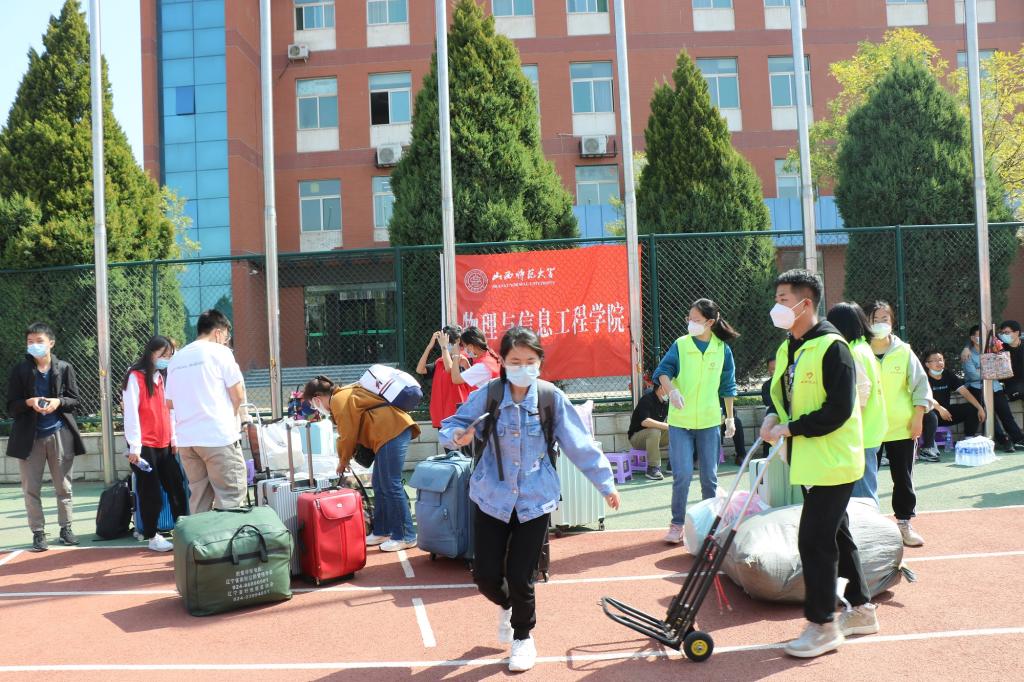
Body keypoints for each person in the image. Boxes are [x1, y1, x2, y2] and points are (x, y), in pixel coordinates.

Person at [440, 326, 619, 673]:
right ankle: (508, 605)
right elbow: (453, 423)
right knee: (486, 576)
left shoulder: (551, 398)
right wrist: (457, 435)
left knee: (522, 574)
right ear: (503, 363)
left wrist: (606, 484)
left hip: (535, 499)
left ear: (540, 362)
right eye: (515, 361)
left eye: (530, 361)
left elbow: (580, 444)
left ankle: (523, 636)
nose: (523, 367)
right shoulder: (489, 395)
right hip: (491, 496)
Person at [759, 270, 877, 659]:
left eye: (782, 299)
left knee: (813, 539)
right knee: (837, 533)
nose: (776, 306)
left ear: (804, 303)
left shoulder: (832, 348)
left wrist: (792, 428)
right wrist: (773, 416)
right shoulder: (789, 347)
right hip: (809, 461)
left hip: (834, 461)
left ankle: (823, 625)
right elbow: (782, 394)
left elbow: (839, 410)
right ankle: (862, 609)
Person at [652, 298, 739, 544]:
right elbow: (662, 372)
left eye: (696, 320)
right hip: (681, 422)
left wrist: (730, 418)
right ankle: (677, 524)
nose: (690, 323)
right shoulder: (681, 344)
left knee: (709, 478)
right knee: (682, 475)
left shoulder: (722, 349)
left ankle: (709, 527)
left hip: (710, 422)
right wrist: (672, 391)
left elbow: (728, 386)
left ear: (710, 322)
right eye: (689, 319)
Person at [306, 376, 421, 552]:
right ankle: (382, 531)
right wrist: (345, 457)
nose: (315, 408)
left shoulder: (339, 400)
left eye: (313, 404)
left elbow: (347, 435)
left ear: (317, 398)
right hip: (387, 434)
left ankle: (406, 536)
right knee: (379, 484)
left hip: (391, 432)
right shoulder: (343, 395)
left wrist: (343, 461)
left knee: (391, 484)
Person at [5, 322, 85, 551]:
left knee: (64, 486)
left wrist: (58, 402)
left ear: (51, 343)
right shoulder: (20, 370)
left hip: (60, 433)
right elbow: (11, 406)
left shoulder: (64, 368)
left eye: (39, 341)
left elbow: (75, 400)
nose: (34, 345)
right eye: (30, 342)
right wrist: (29, 402)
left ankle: (66, 528)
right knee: (31, 488)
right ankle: (38, 533)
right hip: (29, 438)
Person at [165, 309, 247, 514]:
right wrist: (231, 417)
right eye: (226, 336)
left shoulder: (177, 358)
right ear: (218, 332)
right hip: (217, 436)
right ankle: (227, 535)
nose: (226, 341)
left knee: (199, 497)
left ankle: (201, 535)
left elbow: (170, 402)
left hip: (188, 440)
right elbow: (238, 395)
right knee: (230, 496)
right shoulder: (221, 353)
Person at [865, 301, 931, 547]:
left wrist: (918, 417)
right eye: (874, 319)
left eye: (885, 318)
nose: (880, 323)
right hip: (867, 429)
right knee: (865, 480)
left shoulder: (904, 351)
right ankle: (867, 528)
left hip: (901, 427)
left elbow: (921, 386)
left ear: (892, 322)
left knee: (903, 478)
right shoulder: (857, 350)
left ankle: (904, 523)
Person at [122, 336, 188, 552]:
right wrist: (135, 447)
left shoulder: (163, 377)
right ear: (151, 353)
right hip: (145, 446)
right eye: (163, 355)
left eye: (169, 356)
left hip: (165, 444)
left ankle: (183, 530)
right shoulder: (135, 376)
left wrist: (174, 438)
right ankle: (152, 536)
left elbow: (170, 409)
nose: (166, 359)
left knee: (177, 487)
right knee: (150, 493)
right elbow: (131, 413)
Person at [827, 302, 887, 506]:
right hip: (872, 429)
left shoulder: (852, 351)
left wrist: (849, 426)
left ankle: (868, 527)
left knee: (862, 496)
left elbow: (862, 392)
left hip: (861, 433)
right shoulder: (864, 347)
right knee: (864, 489)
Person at [962, 325, 1024, 453]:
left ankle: (1018, 439)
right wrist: (992, 370)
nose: (982, 338)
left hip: (995, 387)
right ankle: (1004, 440)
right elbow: (972, 375)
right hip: (976, 387)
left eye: (984, 335)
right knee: (988, 415)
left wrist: (983, 370)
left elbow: (1002, 370)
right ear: (972, 338)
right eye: (979, 335)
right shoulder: (967, 354)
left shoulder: (994, 349)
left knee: (1006, 414)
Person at [920, 349, 986, 460]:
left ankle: (968, 440)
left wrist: (980, 408)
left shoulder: (948, 374)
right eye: (935, 360)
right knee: (930, 414)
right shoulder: (922, 377)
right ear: (927, 364)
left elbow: (964, 392)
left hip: (946, 415)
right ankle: (927, 448)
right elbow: (926, 397)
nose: (939, 362)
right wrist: (940, 408)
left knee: (972, 408)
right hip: (929, 415)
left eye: (941, 359)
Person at [415, 325, 471, 431]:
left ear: (458, 341)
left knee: (458, 442)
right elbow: (420, 369)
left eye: (449, 342)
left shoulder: (463, 360)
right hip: (443, 415)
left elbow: (450, 369)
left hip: (458, 414)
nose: (446, 345)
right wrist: (429, 347)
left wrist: (444, 347)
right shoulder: (439, 362)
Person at [627, 383, 669, 480]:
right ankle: (652, 468)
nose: (671, 389)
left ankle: (673, 464)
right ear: (661, 388)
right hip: (637, 438)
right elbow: (645, 422)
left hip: (655, 437)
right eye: (668, 386)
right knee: (654, 431)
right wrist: (668, 426)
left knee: (677, 431)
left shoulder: (666, 402)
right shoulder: (647, 399)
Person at [451, 325, 502, 390]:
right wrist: (467, 366)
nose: (464, 349)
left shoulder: (482, 366)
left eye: (464, 346)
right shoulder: (489, 359)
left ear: (470, 347)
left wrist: (455, 356)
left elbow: (456, 379)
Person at [998, 320, 1023, 401]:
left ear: (1017, 333)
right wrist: (967, 348)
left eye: (1007, 332)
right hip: (1012, 384)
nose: (1004, 335)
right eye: (1002, 333)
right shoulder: (1000, 347)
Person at [720, 397, 747, 466]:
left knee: (736, 422)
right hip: (705, 420)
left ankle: (741, 455)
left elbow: (729, 408)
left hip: (722, 416)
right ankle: (696, 458)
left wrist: (726, 416)